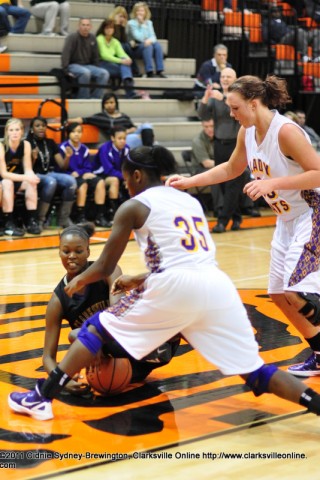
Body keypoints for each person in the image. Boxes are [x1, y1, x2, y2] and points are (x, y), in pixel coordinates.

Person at [8, 145, 320, 421]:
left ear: (138, 176)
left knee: (94, 329)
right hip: (215, 285)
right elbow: (188, 258)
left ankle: (39, 398)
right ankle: (315, 403)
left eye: (127, 177)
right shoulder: (188, 202)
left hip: (175, 286)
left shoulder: (134, 205)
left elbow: (104, 265)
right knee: (255, 371)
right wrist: (140, 278)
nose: (126, 183)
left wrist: (78, 282)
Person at [167, 74, 320, 377]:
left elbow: (318, 173)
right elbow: (231, 168)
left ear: (253, 103)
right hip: (287, 218)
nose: (231, 114)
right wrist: (189, 182)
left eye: (235, 108)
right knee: (278, 293)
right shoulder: (247, 132)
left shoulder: (286, 132)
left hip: (311, 213)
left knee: (296, 291)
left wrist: (274, 183)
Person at [43, 222, 178, 396]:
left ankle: (166, 339)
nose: (72, 256)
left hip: (131, 337)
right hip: (121, 362)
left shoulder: (109, 271)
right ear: (59, 252)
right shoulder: (57, 301)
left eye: (78, 251)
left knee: (77, 334)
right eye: (66, 251)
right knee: (105, 376)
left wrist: (93, 337)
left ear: (88, 252)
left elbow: (119, 314)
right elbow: (48, 357)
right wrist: (62, 381)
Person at [198, 67, 245, 232]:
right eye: (223, 76)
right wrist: (205, 98)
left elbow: (237, 112)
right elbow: (202, 115)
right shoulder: (216, 96)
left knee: (232, 183)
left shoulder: (240, 96)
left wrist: (224, 97)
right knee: (224, 184)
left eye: (229, 76)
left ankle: (222, 222)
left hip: (235, 145)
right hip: (219, 144)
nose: (225, 79)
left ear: (235, 79)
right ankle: (237, 217)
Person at [26, 116, 77, 229]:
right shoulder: (27, 143)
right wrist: (33, 158)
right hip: (34, 174)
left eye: (43, 126)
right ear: (31, 128)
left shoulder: (50, 142)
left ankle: (63, 219)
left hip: (49, 173)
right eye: (37, 126)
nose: (41, 128)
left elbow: (62, 166)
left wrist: (67, 157)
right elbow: (27, 168)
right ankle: (40, 219)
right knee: (51, 182)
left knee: (71, 181)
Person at [59, 122, 110, 227]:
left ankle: (99, 216)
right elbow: (60, 167)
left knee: (100, 182)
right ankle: (80, 216)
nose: (76, 134)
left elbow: (88, 167)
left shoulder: (84, 149)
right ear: (68, 134)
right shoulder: (63, 147)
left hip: (81, 175)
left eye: (79, 132)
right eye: (73, 132)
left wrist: (81, 172)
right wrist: (74, 173)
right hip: (68, 176)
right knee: (83, 184)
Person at [68, 92, 155, 149]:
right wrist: (67, 120)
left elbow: (133, 127)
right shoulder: (100, 117)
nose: (109, 105)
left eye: (111, 102)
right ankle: (149, 148)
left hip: (128, 134)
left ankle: (149, 149)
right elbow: (83, 119)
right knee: (138, 138)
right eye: (106, 103)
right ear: (103, 105)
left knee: (147, 125)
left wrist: (127, 131)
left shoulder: (124, 116)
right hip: (118, 140)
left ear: (116, 104)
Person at [0, 118, 40, 236]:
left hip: (17, 177)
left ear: (22, 131)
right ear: (7, 132)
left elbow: (28, 169)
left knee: (32, 183)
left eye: (17, 129)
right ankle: (8, 222)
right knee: (8, 183)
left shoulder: (26, 144)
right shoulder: (1, 146)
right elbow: (3, 174)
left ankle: (31, 221)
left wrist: (32, 177)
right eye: (11, 130)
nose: (14, 132)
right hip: (3, 179)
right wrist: (26, 177)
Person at [61, 17, 110, 99]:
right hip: (73, 65)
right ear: (79, 26)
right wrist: (66, 70)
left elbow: (95, 55)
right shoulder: (72, 37)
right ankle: (83, 97)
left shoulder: (93, 38)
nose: (85, 27)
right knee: (85, 72)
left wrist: (96, 67)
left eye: (87, 25)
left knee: (104, 73)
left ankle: (95, 97)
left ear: (91, 27)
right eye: (83, 25)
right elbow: (65, 54)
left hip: (87, 65)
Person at [93, 126, 130, 223]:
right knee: (114, 181)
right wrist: (126, 177)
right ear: (112, 138)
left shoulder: (126, 149)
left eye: (124, 138)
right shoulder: (105, 149)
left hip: (117, 174)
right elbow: (108, 170)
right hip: (100, 175)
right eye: (120, 138)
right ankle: (112, 214)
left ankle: (130, 212)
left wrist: (128, 178)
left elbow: (129, 167)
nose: (122, 141)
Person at [96, 18, 140, 99]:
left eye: (111, 28)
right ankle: (130, 91)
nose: (109, 30)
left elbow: (121, 53)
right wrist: (121, 61)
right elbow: (104, 55)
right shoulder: (100, 38)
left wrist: (128, 59)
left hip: (112, 64)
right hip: (101, 64)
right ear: (103, 29)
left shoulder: (115, 41)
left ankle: (129, 88)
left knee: (125, 65)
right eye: (107, 28)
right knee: (124, 67)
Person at [190, 118, 223, 216]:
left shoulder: (220, 137)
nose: (209, 129)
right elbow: (206, 163)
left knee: (244, 172)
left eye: (212, 126)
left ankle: (246, 206)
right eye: (206, 127)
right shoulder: (197, 141)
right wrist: (226, 164)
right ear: (202, 126)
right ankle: (219, 208)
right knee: (215, 175)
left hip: (215, 167)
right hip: (199, 170)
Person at [127, 2, 166, 78]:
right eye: (138, 10)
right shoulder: (131, 23)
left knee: (157, 45)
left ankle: (159, 71)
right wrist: (142, 25)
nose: (140, 12)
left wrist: (149, 41)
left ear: (145, 12)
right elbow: (139, 37)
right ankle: (149, 72)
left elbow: (153, 36)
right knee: (148, 46)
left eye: (142, 11)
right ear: (135, 12)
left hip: (146, 44)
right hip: (136, 48)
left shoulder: (149, 23)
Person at [108, 5, 141, 77]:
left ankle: (134, 70)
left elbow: (123, 39)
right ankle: (134, 70)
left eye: (124, 17)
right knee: (124, 46)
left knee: (126, 45)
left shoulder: (122, 26)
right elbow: (114, 40)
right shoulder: (109, 24)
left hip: (120, 48)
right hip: (110, 48)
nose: (122, 19)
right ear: (115, 15)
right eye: (120, 16)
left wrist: (122, 27)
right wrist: (116, 25)